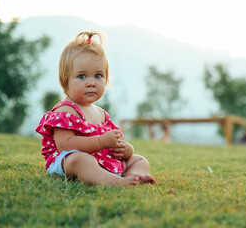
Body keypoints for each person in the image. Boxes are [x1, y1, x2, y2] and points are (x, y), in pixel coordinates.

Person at [35, 31, 156, 186]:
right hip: (70, 163)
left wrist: (126, 150)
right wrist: (100, 141)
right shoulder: (65, 111)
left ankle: (134, 176)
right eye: (82, 76)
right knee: (80, 159)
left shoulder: (101, 114)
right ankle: (118, 181)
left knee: (139, 159)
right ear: (65, 79)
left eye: (98, 76)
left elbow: (113, 142)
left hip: (103, 162)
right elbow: (65, 146)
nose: (91, 82)